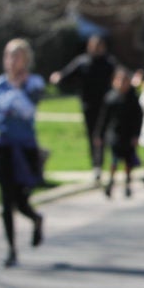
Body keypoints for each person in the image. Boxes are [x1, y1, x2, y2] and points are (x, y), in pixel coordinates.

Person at [0, 38, 46, 268]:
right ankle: (11, 249)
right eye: (8, 55)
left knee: (20, 200)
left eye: (16, 55)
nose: (11, 60)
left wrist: (18, 89)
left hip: (25, 146)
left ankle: (36, 219)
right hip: (3, 145)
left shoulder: (34, 84)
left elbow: (28, 112)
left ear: (25, 59)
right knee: (5, 199)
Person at [49, 35, 116, 183]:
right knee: (93, 135)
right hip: (89, 105)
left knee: (104, 135)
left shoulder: (108, 63)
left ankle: (106, 162)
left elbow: (120, 76)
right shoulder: (83, 62)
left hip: (105, 105)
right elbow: (67, 74)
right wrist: (58, 77)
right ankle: (96, 165)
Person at [94, 67, 143, 199]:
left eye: (125, 80)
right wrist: (99, 134)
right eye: (119, 80)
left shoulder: (133, 98)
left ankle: (127, 183)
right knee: (114, 159)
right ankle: (111, 182)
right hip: (115, 133)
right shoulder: (111, 97)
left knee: (128, 161)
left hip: (129, 134)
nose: (122, 83)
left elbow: (139, 119)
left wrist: (137, 135)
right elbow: (103, 118)